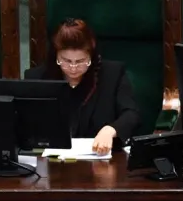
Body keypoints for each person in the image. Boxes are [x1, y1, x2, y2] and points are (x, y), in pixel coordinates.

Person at [25, 18, 140, 154]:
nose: (73, 68)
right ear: (56, 55)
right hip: (50, 162)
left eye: (81, 61)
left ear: (91, 55)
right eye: (66, 61)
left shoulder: (112, 74)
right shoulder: (37, 78)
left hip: (100, 160)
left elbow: (131, 114)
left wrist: (110, 130)